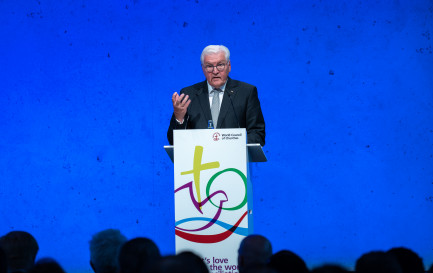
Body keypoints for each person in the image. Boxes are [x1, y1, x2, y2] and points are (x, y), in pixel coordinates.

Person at [167, 45, 265, 146]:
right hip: (199, 159)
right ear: (203, 69)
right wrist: (179, 118)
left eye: (220, 65)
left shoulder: (246, 92)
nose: (215, 71)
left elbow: (257, 134)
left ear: (229, 66)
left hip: (233, 159)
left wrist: (236, 147)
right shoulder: (190, 94)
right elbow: (173, 141)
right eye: (209, 66)